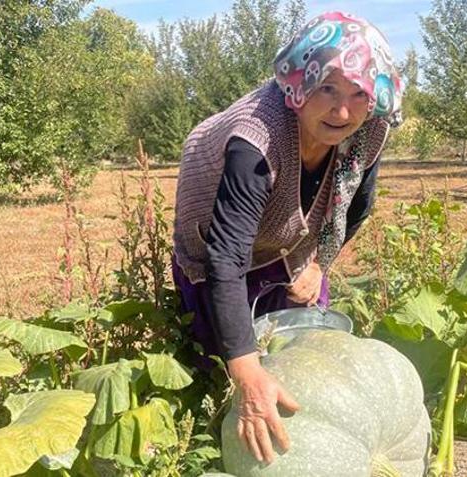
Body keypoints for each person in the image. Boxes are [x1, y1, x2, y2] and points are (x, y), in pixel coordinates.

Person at [171, 11, 403, 465]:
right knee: (221, 367)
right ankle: (210, 447)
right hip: (215, 245)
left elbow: (356, 205)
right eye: (328, 89)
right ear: (299, 83)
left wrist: (318, 263)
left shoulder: (369, 126)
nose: (342, 111)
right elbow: (226, 256)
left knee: (307, 350)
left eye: (359, 94)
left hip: (291, 242)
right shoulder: (256, 138)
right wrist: (245, 371)